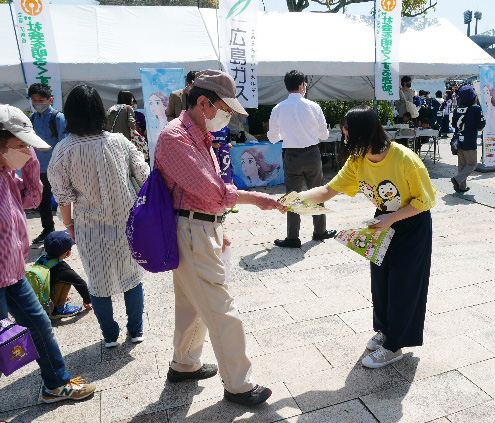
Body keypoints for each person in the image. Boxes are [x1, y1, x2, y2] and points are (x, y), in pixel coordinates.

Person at [155, 69, 286, 407]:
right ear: (203, 103)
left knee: (191, 305)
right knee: (221, 309)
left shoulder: (197, 135)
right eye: (225, 109)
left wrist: (218, 226)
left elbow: (204, 196)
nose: (227, 116)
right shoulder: (176, 138)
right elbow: (211, 192)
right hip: (192, 230)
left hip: (198, 227)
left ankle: (184, 364)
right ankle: (239, 385)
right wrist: (256, 199)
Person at [296, 105, 436, 368]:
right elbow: (327, 191)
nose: (345, 139)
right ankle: (384, 331)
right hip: (382, 220)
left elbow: (425, 201)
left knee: (403, 284)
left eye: (347, 133)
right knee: (381, 280)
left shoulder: (405, 160)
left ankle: (395, 345)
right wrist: (289, 201)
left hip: (410, 223)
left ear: (363, 132)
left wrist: (392, 218)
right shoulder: (357, 161)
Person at [0, 104, 96, 403]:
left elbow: (32, 198)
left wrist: (27, 159)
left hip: (13, 272)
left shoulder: (6, 174)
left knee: (40, 324)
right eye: (19, 145)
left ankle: (56, 385)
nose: (26, 152)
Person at [48, 85, 150, 349]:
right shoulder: (119, 141)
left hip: (89, 227)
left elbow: (62, 196)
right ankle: (136, 330)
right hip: (128, 223)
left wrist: (68, 225)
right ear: (99, 112)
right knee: (132, 276)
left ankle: (110, 336)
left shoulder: (64, 149)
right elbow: (143, 173)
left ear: (70, 114)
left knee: (98, 281)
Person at [267, 70, 336, 248]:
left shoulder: (278, 108)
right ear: (301, 85)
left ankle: (293, 237)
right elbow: (324, 134)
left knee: (292, 196)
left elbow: (273, 138)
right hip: (312, 153)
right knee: (317, 192)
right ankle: (319, 231)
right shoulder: (314, 106)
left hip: (291, 155)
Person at [28, 83, 67, 245]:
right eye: (34, 100)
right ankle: (47, 229)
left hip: (57, 166)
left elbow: (64, 142)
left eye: (41, 100)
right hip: (40, 167)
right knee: (43, 200)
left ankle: (73, 228)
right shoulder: (32, 118)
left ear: (50, 100)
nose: (38, 103)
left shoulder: (58, 118)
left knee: (66, 197)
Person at [38, 231, 91, 319]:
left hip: (38, 300)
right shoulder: (62, 268)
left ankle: (57, 300)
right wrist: (87, 300)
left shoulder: (41, 259)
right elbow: (81, 284)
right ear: (68, 253)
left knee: (59, 278)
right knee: (67, 280)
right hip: (48, 305)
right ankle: (58, 309)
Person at [451, 86, 486, 193]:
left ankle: (461, 187)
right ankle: (457, 179)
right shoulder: (476, 108)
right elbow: (481, 125)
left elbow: (453, 124)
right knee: (472, 164)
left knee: (462, 164)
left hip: (458, 139)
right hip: (469, 140)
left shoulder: (457, 109)